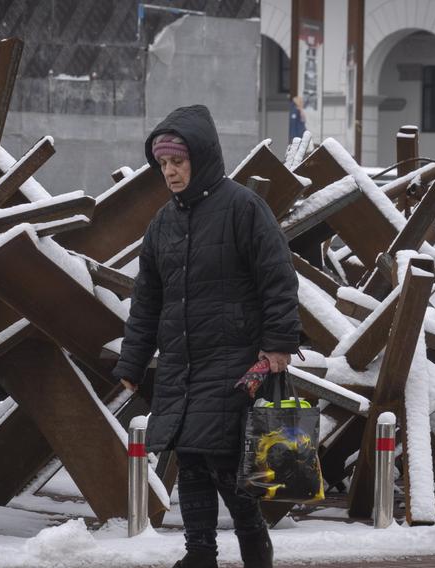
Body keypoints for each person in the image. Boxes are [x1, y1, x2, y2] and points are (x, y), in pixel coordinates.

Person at [113, 104, 301, 568]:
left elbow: (278, 278)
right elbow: (147, 301)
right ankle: (200, 554)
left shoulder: (243, 207)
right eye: (163, 165)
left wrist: (278, 345)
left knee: (219, 458)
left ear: (202, 157)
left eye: (178, 162)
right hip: (182, 360)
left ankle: (253, 539)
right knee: (191, 458)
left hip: (236, 358)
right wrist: (132, 364)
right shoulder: (162, 224)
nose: (171, 172)